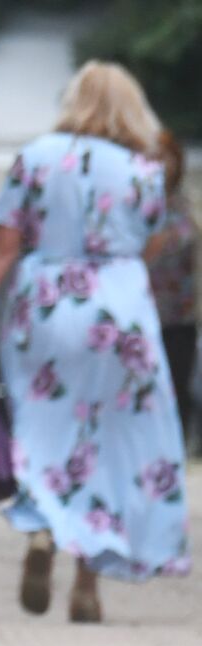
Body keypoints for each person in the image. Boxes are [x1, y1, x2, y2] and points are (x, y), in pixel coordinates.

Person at [0, 62, 192, 624]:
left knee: (43, 429)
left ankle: (42, 531)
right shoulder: (143, 170)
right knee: (109, 438)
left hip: (48, 303)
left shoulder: (35, 158)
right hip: (120, 309)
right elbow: (153, 242)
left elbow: (2, 246)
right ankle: (87, 579)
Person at [147, 130, 198, 440]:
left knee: (177, 390)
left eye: (165, 157)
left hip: (181, 313)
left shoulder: (184, 204)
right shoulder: (130, 205)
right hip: (141, 314)